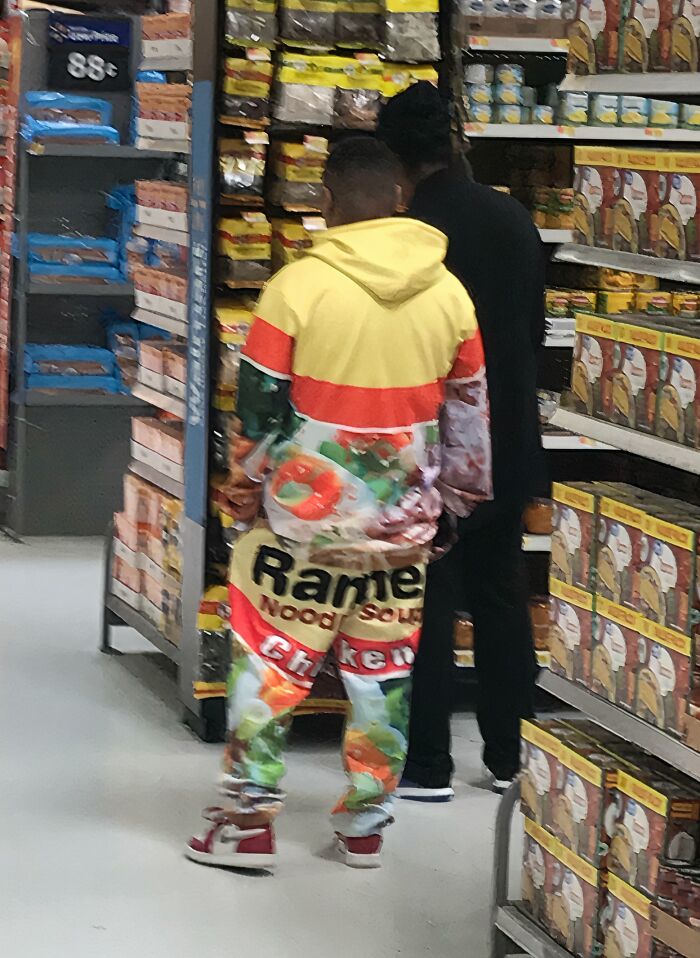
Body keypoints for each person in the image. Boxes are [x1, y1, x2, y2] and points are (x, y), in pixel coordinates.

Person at [186, 137, 492, 871]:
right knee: (381, 679)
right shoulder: (450, 294)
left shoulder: (295, 288)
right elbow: (471, 419)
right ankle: (364, 825)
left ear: (324, 202)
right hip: (400, 536)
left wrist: (244, 495)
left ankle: (248, 820)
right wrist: (451, 501)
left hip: (300, 530)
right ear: (398, 200)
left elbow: (256, 416)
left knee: (269, 667)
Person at [377, 83, 546, 798]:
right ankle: (511, 756)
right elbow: (533, 334)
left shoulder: (405, 233)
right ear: (458, 141)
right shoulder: (513, 218)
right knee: (502, 594)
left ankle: (426, 765)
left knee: (429, 596)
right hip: (506, 435)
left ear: (395, 159)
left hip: (430, 443)